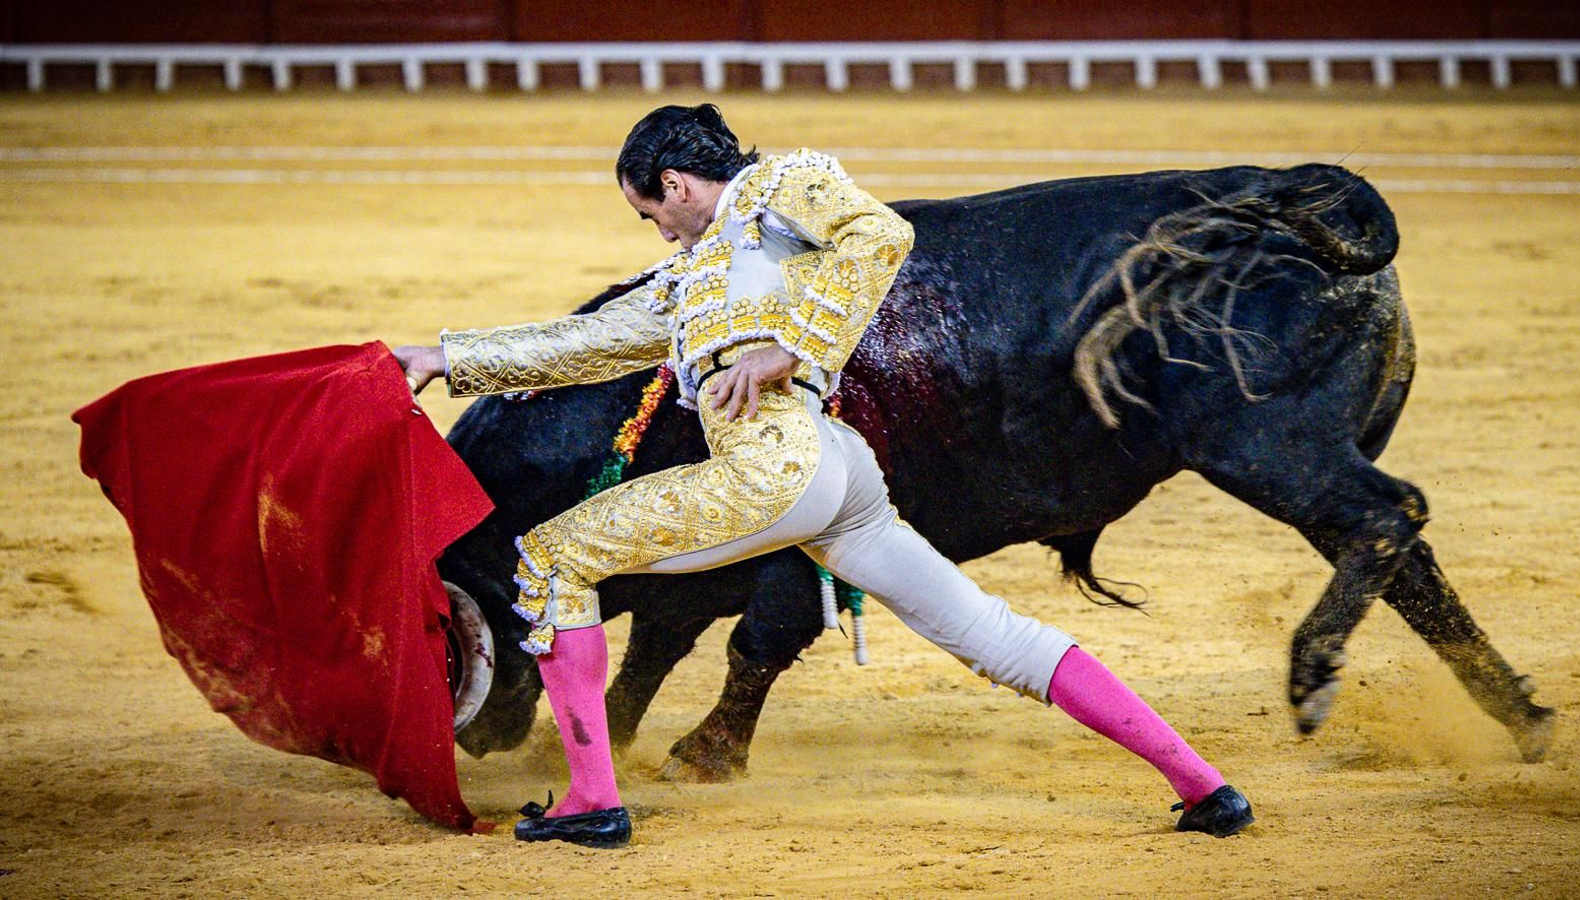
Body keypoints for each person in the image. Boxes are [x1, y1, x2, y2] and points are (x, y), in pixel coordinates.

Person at [393, 104, 1253, 847]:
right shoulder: (693, 275)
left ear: (679, 184)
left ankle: (592, 801)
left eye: (651, 210)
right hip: (837, 474)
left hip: (773, 464)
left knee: (548, 558)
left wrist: (789, 348)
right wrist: (448, 356)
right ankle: (1203, 786)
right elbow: (587, 342)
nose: (656, 230)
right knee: (992, 635)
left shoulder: (781, 188)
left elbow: (882, 233)